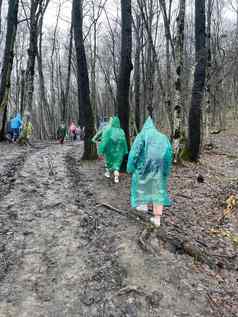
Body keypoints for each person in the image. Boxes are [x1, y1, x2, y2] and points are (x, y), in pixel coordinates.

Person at [127, 116, 173, 227]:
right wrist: (166, 170)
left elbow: (134, 153)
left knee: (141, 184)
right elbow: (168, 154)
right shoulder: (163, 137)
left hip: (143, 167)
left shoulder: (141, 136)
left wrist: (130, 167)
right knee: (158, 190)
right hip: (158, 168)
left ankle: (143, 206)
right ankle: (157, 218)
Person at [98, 116, 128, 183]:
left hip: (110, 151)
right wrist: (125, 150)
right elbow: (124, 141)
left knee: (109, 162)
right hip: (119, 151)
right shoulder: (121, 131)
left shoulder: (108, 131)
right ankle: (116, 177)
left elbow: (104, 141)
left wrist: (101, 151)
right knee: (117, 164)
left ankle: (108, 173)